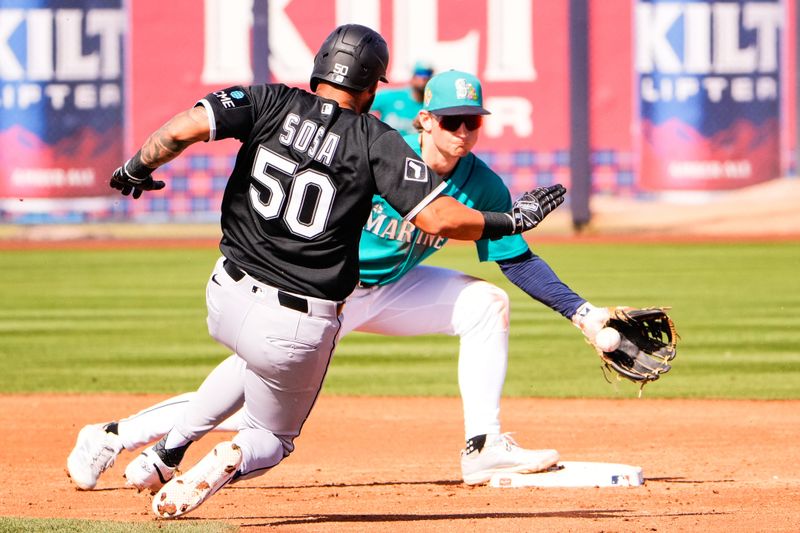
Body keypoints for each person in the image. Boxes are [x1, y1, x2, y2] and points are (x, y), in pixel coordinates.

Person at [88, 24, 565, 519]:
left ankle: (162, 452)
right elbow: (437, 218)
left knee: (249, 369)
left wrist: (135, 168)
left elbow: (180, 129)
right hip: (299, 319)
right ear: (373, 86)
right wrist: (510, 220)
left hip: (224, 293)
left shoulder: (268, 100)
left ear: (318, 67)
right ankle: (218, 456)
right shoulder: (376, 140)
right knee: (269, 437)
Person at [370, 60, 433, 135]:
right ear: (413, 77)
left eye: (428, 74)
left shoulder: (431, 106)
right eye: (420, 73)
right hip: (387, 144)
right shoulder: (391, 96)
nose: (424, 77)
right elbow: (361, 104)